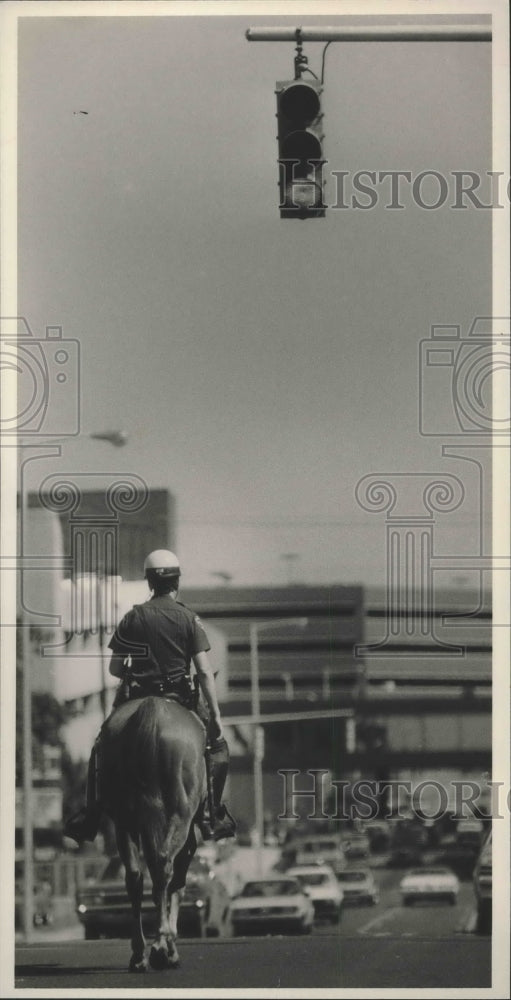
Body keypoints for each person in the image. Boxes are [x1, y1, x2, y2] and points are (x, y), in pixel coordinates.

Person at [64, 549, 236, 845]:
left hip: (135, 700)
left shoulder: (132, 617)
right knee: (217, 748)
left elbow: (115, 667)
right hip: (179, 698)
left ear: (149, 582)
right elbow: (205, 672)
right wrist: (217, 717)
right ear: (177, 582)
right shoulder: (188, 618)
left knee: (100, 746)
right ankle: (212, 816)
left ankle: (90, 818)